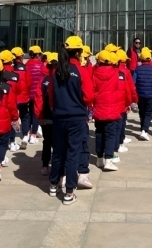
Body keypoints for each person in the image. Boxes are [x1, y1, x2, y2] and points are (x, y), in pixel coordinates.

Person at [47, 36, 95, 205]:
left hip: (59, 116)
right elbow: (89, 96)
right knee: (73, 154)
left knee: (58, 152)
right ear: (78, 52)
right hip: (76, 118)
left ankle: (53, 185)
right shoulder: (81, 71)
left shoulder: (56, 70)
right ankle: (69, 192)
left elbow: (51, 94)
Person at [93, 49, 121, 171]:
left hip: (99, 106)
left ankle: (99, 158)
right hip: (111, 107)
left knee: (99, 132)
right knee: (110, 134)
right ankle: (108, 159)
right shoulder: (115, 72)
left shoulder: (94, 73)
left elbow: (92, 89)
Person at [35, 52, 58, 175]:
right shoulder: (60, 79)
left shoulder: (43, 80)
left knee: (47, 141)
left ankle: (44, 166)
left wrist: (40, 116)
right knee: (58, 142)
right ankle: (56, 165)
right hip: (58, 116)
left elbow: (38, 99)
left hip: (46, 115)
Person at [0, 49, 21, 152]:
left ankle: (4, 142)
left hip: (0, 102)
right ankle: (12, 142)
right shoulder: (14, 74)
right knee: (12, 120)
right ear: (11, 60)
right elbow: (19, 89)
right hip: (12, 101)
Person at [10, 47, 32, 149]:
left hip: (13, 97)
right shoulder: (25, 68)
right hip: (23, 97)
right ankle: (25, 136)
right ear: (21, 56)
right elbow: (29, 83)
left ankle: (12, 140)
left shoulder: (10, 68)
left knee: (12, 118)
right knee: (24, 116)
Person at [133, 47, 152, 140]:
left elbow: (134, 81)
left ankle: (142, 128)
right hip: (151, 94)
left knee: (142, 112)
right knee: (148, 113)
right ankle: (144, 130)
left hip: (140, 94)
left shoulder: (137, 69)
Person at [116, 47, 136, 152]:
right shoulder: (125, 71)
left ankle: (119, 141)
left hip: (112, 102)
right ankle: (119, 143)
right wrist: (131, 102)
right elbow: (130, 88)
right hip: (122, 102)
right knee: (121, 123)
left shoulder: (112, 69)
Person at [26, 46, 45, 144]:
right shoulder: (41, 65)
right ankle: (34, 134)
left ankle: (28, 132)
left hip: (28, 93)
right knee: (36, 113)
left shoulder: (26, 65)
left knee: (29, 113)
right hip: (38, 94)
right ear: (37, 54)